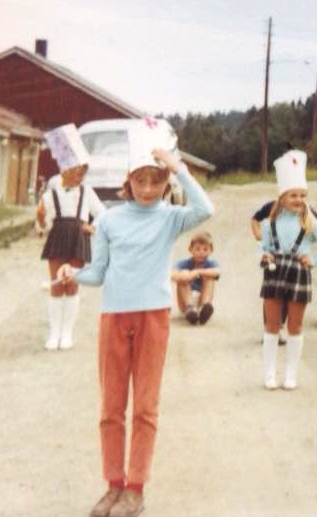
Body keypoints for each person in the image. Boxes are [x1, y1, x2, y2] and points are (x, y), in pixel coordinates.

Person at [57, 119, 214, 517]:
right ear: (127, 179)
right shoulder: (109, 220)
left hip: (153, 319)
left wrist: (177, 166)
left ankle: (136, 489)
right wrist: (73, 273)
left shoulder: (170, 217)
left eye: (156, 181)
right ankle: (113, 484)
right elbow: (98, 272)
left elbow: (206, 208)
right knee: (111, 408)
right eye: (140, 180)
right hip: (114, 318)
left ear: (165, 182)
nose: (147, 189)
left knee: (145, 407)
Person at [260, 149, 317, 391]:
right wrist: (264, 255)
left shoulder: (310, 223)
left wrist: (314, 259)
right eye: (293, 195)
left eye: (302, 195)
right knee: (271, 325)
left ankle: (291, 374)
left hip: (299, 274)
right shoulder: (269, 223)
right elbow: (263, 248)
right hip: (274, 273)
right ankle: (269, 374)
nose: (299, 199)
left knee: (295, 325)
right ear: (282, 197)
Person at [36, 123, 105, 350]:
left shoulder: (87, 191)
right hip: (58, 238)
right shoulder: (51, 193)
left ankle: (67, 333)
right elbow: (42, 226)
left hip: (78, 240)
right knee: (57, 284)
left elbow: (103, 214)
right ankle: (54, 333)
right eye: (76, 171)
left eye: (83, 172)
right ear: (65, 169)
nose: (80, 176)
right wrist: (40, 219)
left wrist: (93, 227)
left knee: (72, 283)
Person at [170, 231, 221, 325]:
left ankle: (204, 307)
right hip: (186, 301)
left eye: (205, 249)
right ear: (191, 249)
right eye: (198, 249)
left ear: (211, 250)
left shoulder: (211, 263)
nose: (201, 252)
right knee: (183, 275)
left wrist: (198, 272)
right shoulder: (183, 263)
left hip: (202, 298)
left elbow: (217, 272)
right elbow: (172, 275)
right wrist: (187, 275)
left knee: (209, 276)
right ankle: (190, 309)